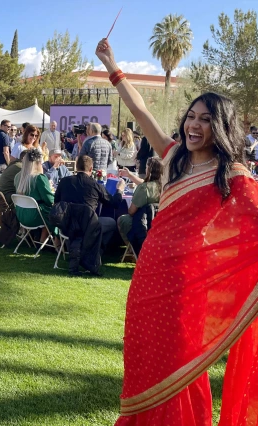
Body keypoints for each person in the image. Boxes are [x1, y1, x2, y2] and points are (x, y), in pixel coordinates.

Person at [97, 37, 258, 425]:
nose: (194, 125)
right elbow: (139, 110)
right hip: (147, 281)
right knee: (142, 366)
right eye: (192, 116)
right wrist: (111, 64)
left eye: (205, 119)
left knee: (179, 368)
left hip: (185, 290)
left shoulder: (233, 177)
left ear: (219, 128)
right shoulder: (174, 159)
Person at [55, 155, 125, 251]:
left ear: (76, 167)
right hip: (86, 226)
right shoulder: (95, 185)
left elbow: (56, 203)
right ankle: (96, 250)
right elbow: (115, 203)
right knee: (112, 223)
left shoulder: (64, 182)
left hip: (67, 225)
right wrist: (119, 190)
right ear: (91, 169)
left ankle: (86, 248)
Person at [14, 148, 57, 243]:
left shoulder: (18, 177)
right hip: (35, 216)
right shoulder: (39, 178)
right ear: (38, 163)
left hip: (21, 215)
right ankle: (51, 242)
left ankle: (37, 239)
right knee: (55, 212)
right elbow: (50, 200)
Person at [117, 157, 163, 245]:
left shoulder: (144, 188)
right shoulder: (165, 186)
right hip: (160, 223)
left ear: (149, 170)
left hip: (144, 224)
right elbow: (144, 183)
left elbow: (131, 211)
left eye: (146, 167)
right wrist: (129, 175)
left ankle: (132, 248)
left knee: (122, 219)